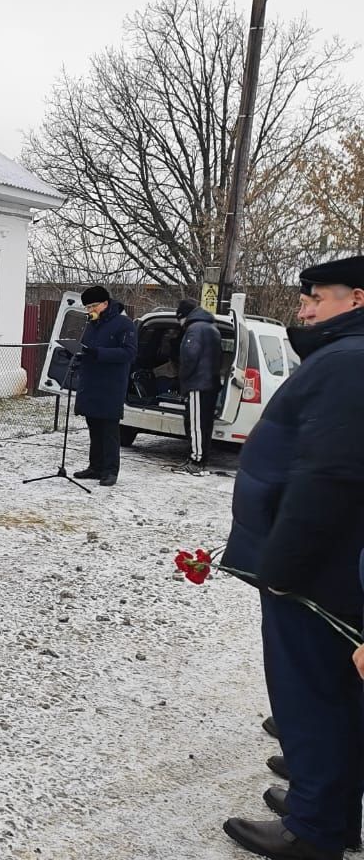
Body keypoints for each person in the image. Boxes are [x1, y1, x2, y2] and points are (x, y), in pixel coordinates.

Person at [221, 255, 364, 860]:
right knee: (331, 695)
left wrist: (283, 567)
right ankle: (323, 798)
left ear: (356, 299)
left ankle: (316, 827)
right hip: (323, 564)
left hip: (313, 574)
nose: (303, 307)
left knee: (313, 696)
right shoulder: (344, 357)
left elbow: (331, 474)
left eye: (318, 297)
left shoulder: (350, 362)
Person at [72, 285, 136, 487]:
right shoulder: (91, 325)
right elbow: (87, 350)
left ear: (105, 304)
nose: (89, 310)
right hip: (91, 383)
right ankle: (95, 466)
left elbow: (129, 353)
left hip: (111, 385)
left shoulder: (124, 324)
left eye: (93, 305)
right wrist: (76, 355)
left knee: (109, 431)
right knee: (94, 428)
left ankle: (110, 470)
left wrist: (98, 353)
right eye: (87, 306)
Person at [175, 298, 222, 475]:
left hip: (198, 384)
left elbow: (189, 357)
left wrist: (183, 381)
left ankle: (196, 460)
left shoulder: (194, 329)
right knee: (204, 424)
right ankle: (199, 457)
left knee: (195, 424)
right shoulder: (211, 327)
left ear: (182, 316)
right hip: (210, 383)